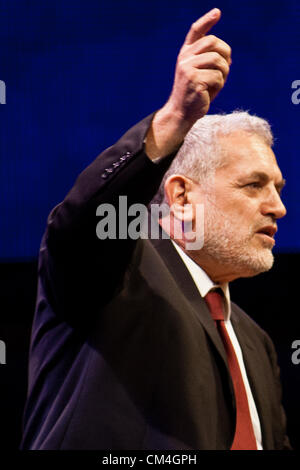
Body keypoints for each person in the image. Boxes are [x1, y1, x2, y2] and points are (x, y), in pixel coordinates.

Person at [20, 9, 291, 450]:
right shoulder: (118, 274)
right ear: (182, 197)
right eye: (254, 185)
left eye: (278, 188)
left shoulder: (255, 343)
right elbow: (81, 225)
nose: (278, 207)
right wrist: (173, 119)